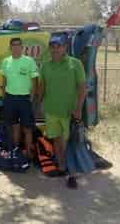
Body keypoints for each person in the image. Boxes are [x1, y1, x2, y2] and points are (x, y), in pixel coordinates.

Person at [39, 34, 86, 189]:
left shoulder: (75, 64)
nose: (55, 49)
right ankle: (61, 166)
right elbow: (42, 88)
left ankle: (71, 171)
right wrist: (39, 105)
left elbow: (82, 88)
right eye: (52, 46)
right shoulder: (45, 66)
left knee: (68, 142)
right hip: (51, 111)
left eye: (58, 46)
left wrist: (79, 108)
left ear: (65, 47)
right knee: (57, 140)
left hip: (69, 112)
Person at [0, 38, 39, 159]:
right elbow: (4, 80)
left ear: (22, 47)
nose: (16, 48)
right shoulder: (6, 61)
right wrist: (4, 96)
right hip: (10, 98)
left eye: (18, 45)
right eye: (13, 45)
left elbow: (35, 81)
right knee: (14, 126)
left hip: (25, 99)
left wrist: (31, 98)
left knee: (27, 128)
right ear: (10, 48)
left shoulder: (29, 61)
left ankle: (28, 153)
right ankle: (16, 151)